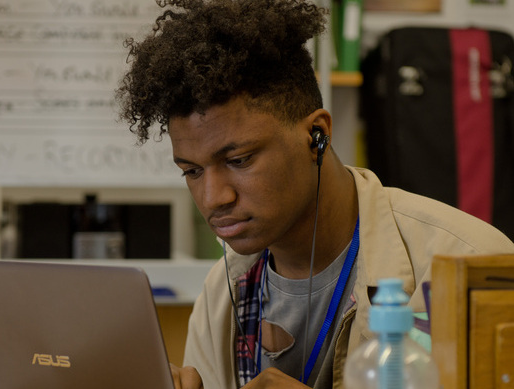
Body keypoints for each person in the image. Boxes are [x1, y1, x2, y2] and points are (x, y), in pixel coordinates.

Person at [116, 1, 514, 388]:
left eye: (238, 160)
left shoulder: (470, 262)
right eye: (192, 171)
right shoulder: (224, 289)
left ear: (316, 135)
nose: (213, 197)